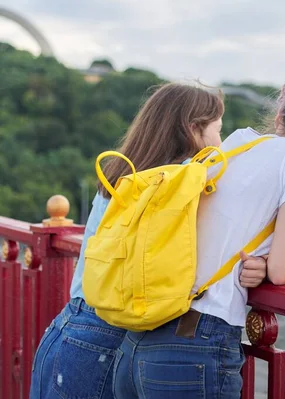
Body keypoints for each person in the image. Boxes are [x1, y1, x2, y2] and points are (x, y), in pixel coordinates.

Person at [113, 66, 285, 398]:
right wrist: (267, 265)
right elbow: (282, 271)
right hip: (196, 341)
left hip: (139, 340)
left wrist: (262, 262)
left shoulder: (239, 142)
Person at [29, 83, 268, 399]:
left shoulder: (121, 176)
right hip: (105, 342)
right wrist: (261, 263)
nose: (220, 143)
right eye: (217, 130)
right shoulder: (181, 183)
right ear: (193, 129)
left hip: (69, 328)